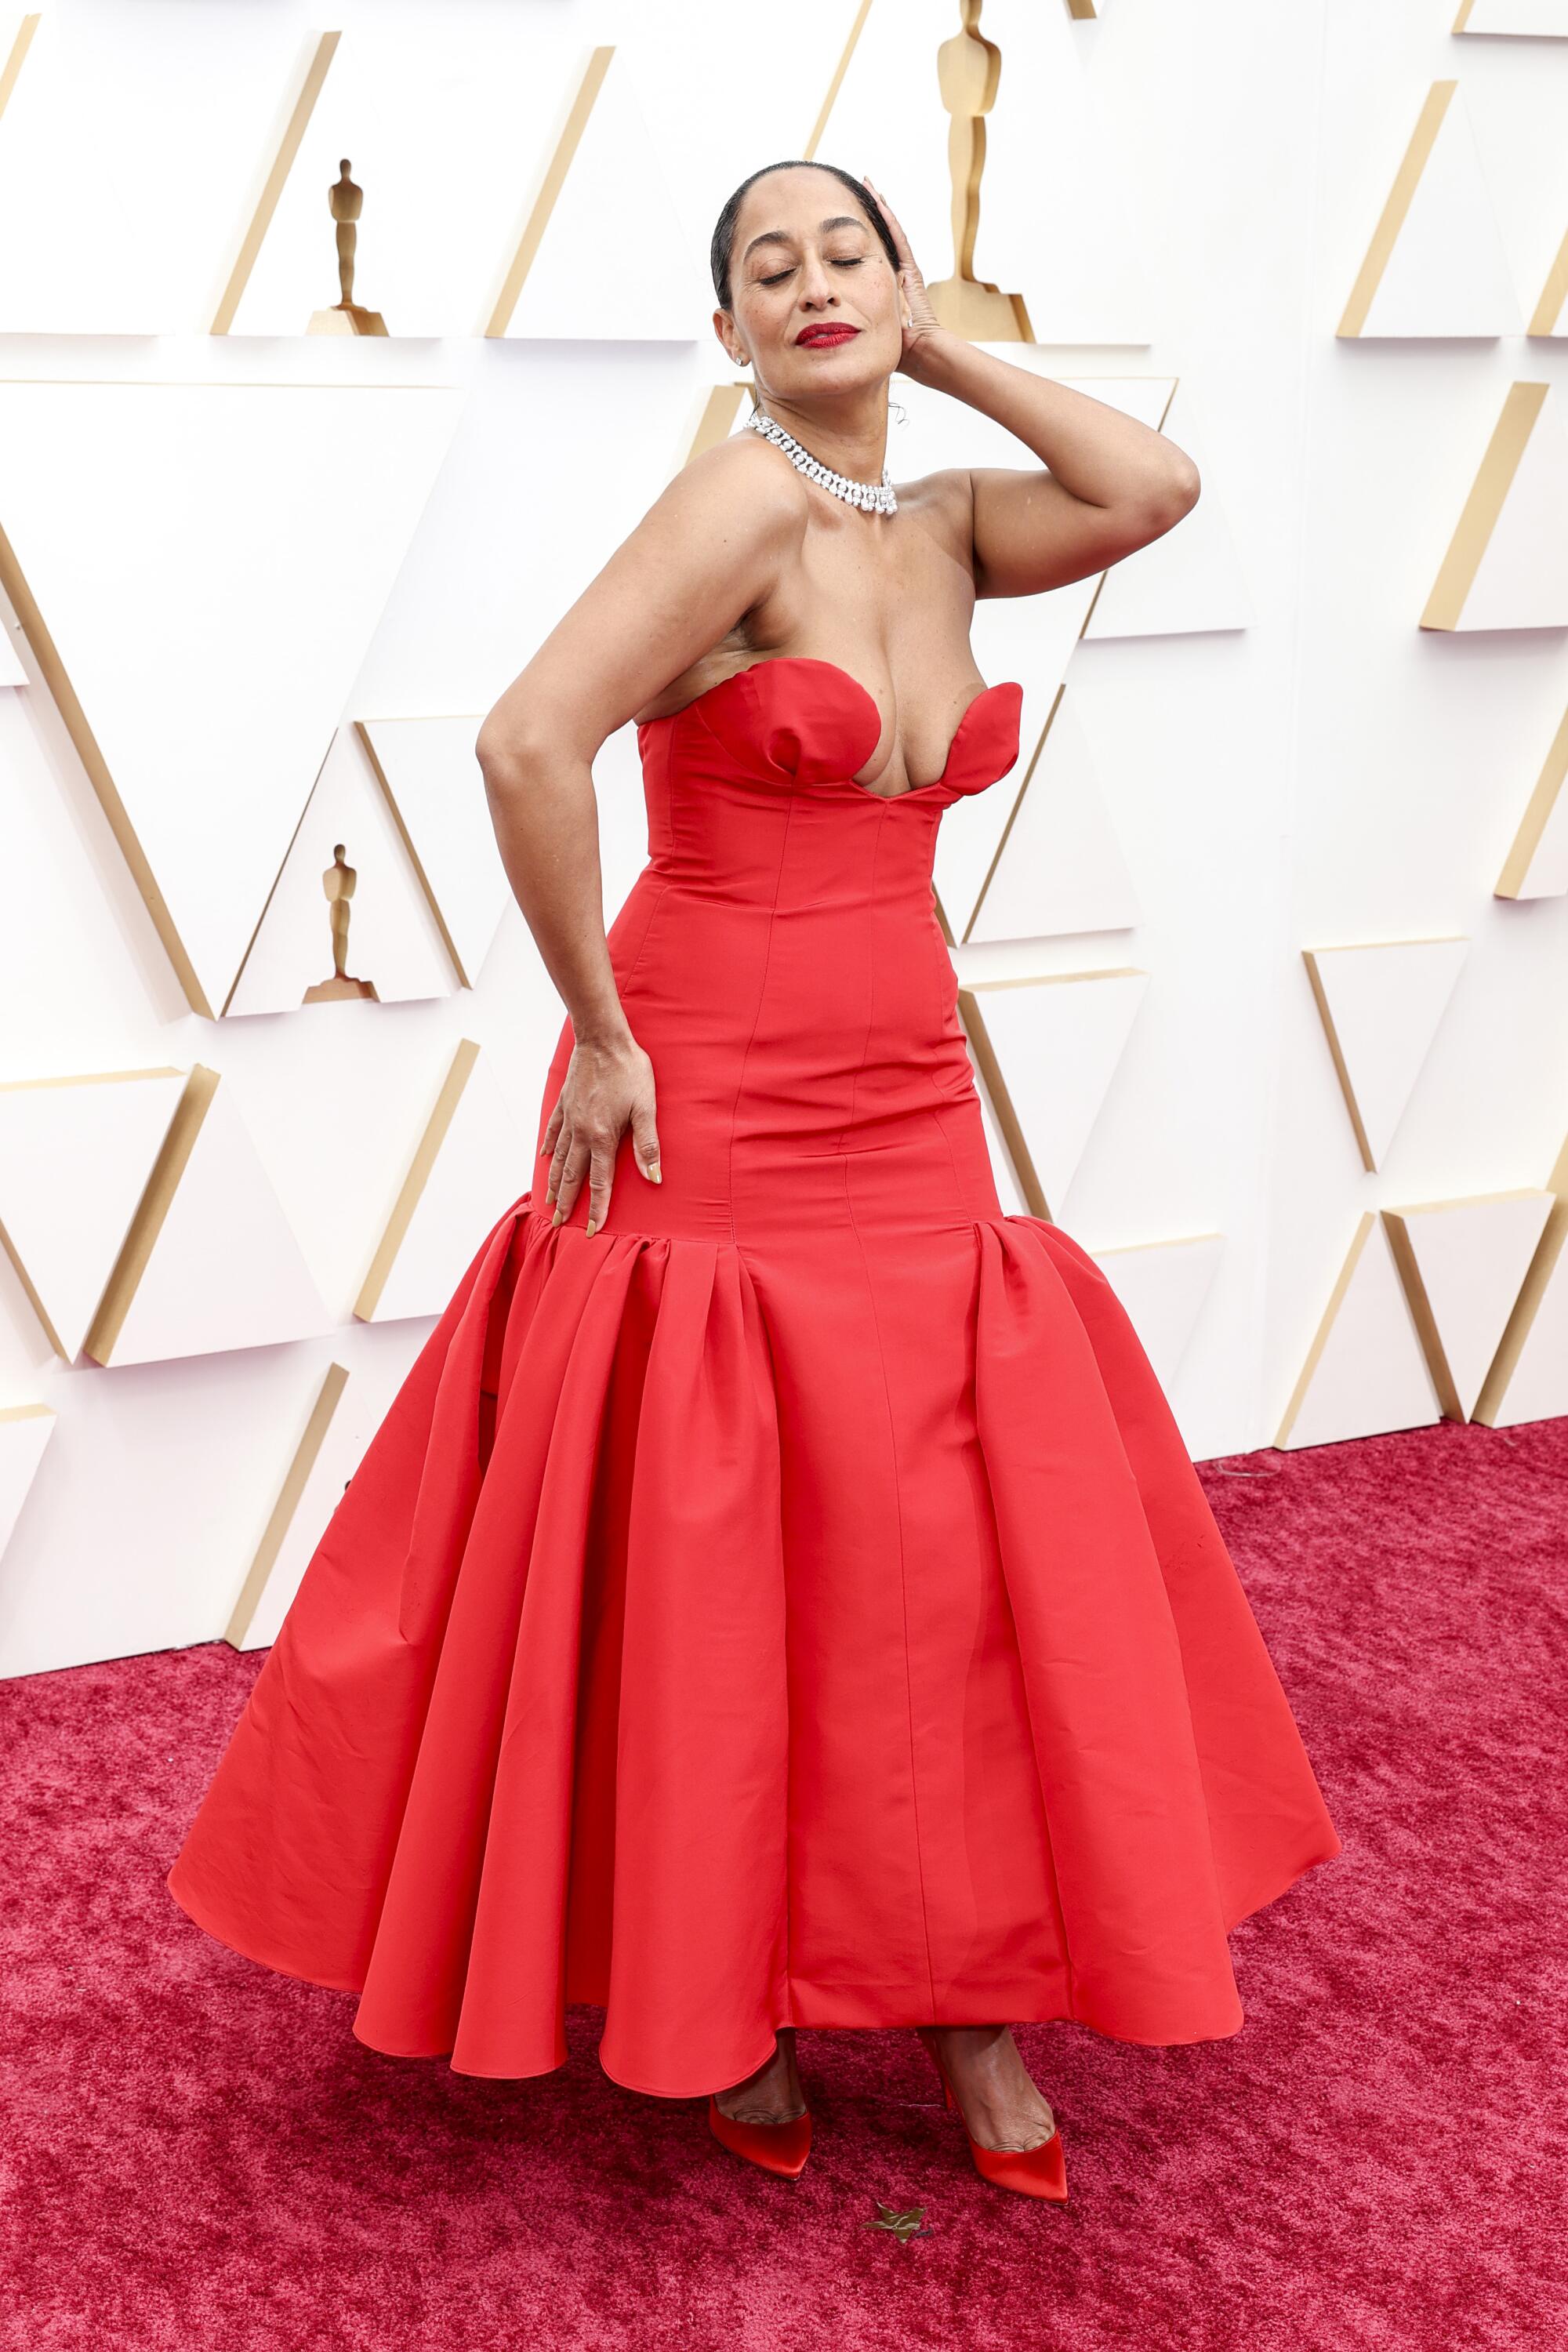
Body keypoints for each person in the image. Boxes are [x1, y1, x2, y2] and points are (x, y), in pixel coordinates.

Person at [169, 162, 1341, 2204]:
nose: (812, 285)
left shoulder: (953, 520)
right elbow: (530, 743)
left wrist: (943, 342)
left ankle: (964, 2005)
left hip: (903, 1085)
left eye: (847, 255)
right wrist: (605, 1033)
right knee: (726, 1536)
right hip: (701, 1072)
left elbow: (1153, 486)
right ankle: (747, 2003)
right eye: (768, 270)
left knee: (933, 1557)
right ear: (725, 334)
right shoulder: (743, 502)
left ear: (900, 285)